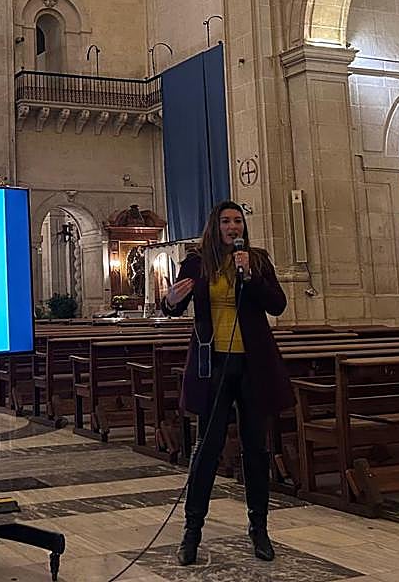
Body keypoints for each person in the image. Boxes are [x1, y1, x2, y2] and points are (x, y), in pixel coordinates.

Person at [162, 200, 292, 565]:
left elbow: (277, 305)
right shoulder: (197, 261)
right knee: (207, 448)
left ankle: (259, 530)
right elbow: (175, 301)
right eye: (226, 221)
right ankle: (191, 533)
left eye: (238, 221)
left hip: (253, 364)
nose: (233, 227)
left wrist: (250, 277)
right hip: (213, 365)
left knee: (255, 449)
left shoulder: (257, 260)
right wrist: (169, 301)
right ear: (214, 226)